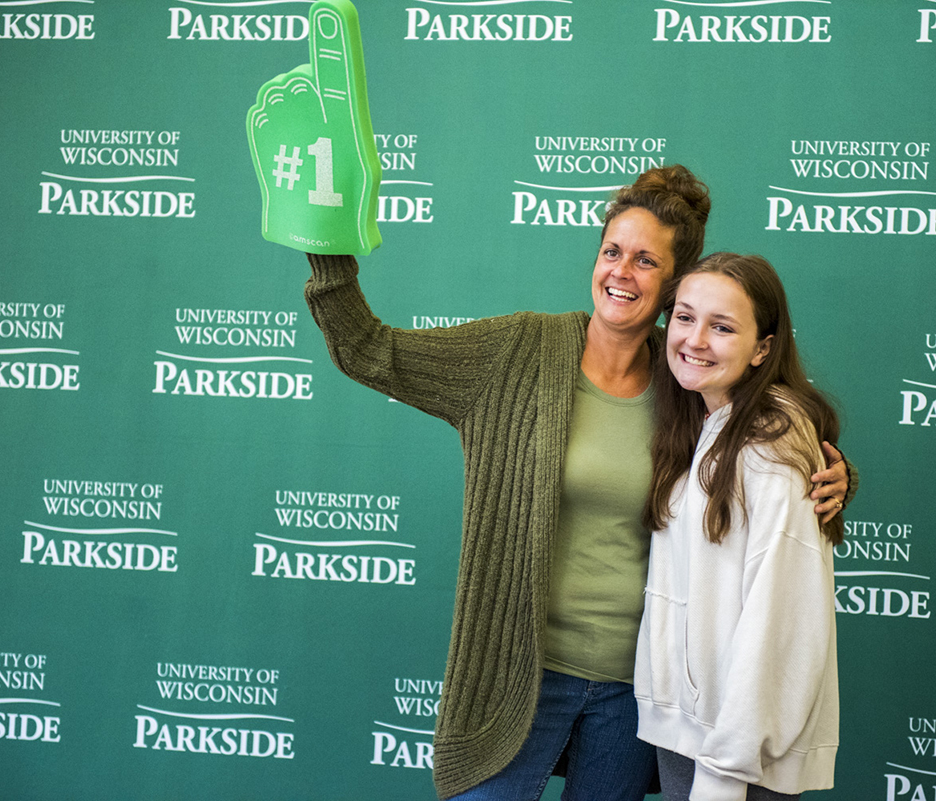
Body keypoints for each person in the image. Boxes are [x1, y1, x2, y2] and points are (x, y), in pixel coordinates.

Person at [301, 166, 853, 800]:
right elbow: (368, 349)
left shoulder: (687, 374)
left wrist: (831, 475)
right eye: (611, 252)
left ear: (674, 286)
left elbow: (759, 451)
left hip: (636, 693)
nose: (621, 272)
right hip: (519, 674)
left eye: (645, 260)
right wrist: (324, 239)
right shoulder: (515, 352)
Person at [635, 253, 844, 801]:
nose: (695, 339)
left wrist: (727, 767)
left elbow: (782, 620)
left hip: (735, 758)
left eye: (722, 327)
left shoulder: (772, 442)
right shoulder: (700, 420)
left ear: (762, 349)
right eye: (684, 317)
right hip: (691, 735)